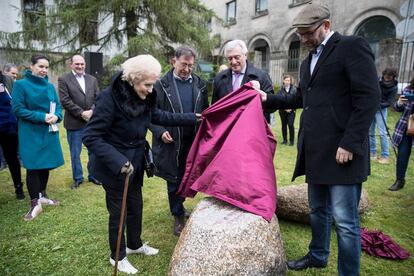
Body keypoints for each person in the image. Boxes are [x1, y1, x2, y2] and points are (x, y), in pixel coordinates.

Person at [258, 3, 380, 275]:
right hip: (315, 150)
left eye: (307, 33)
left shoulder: (351, 46)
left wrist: (349, 143)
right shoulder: (306, 61)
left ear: (325, 25)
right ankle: (318, 255)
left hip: (342, 152)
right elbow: (301, 98)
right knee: (317, 211)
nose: (302, 39)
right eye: (299, 34)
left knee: (346, 222)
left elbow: (369, 98)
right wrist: (268, 99)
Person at [82, 54, 198, 274]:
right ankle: (117, 257)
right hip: (115, 166)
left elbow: (160, 116)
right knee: (119, 212)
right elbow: (91, 136)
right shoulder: (110, 98)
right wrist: (119, 162)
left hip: (135, 163)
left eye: (152, 84)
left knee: (136, 206)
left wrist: (194, 117)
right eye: (147, 84)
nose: (151, 89)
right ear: (133, 79)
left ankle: (134, 245)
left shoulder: (145, 96)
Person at [149, 46, 209, 236]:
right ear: (173, 61)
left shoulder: (200, 84)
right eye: (184, 64)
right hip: (171, 142)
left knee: (187, 176)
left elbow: (205, 111)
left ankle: (180, 206)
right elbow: (150, 113)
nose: (187, 69)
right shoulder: (160, 85)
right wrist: (159, 131)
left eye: (191, 65)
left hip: (193, 141)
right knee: (173, 178)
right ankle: (177, 215)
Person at [12, 54, 64, 221]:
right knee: (33, 166)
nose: (44, 70)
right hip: (30, 132)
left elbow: (57, 108)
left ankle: (42, 195)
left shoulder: (49, 86)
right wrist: (41, 117)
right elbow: (18, 109)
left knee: (45, 164)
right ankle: (35, 204)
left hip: (49, 130)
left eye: (47, 67)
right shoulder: (20, 85)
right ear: (32, 66)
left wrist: (56, 116)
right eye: (41, 66)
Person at [58, 54, 101, 189]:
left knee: (93, 151)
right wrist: (81, 113)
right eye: (77, 64)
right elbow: (65, 100)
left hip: (91, 122)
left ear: (85, 65)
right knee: (75, 153)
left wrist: (91, 111)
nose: (80, 66)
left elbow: (97, 98)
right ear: (71, 64)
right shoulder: (64, 79)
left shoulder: (92, 79)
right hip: (74, 123)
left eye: (82, 64)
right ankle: (78, 178)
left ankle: (94, 175)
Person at [211, 39, 274, 122]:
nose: (233, 62)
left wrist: (258, 96)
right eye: (230, 58)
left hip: (251, 129)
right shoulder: (219, 78)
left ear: (245, 55)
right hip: (226, 129)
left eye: (237, 57)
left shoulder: (261, 76)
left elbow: (272, 107)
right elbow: (215, 107)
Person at [0, 71, 25, 199]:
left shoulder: (7, 79)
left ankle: (18, 187)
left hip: (8, 127)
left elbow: (15, 101)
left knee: (12, 159)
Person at [389, 77, 414, 191]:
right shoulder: (409, 89)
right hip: (406, 127)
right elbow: (397, 108)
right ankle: (400, 180)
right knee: (402, 155)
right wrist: (399, 103)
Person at [369, 68, 398, 164]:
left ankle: (385, 156)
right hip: (372, 107)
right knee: (370, 131)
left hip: (381, 109)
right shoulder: (378, 80)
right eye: (385, 76)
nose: (386, 78)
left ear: (393, 77)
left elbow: (390, 102)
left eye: (389, 77)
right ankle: (372, 153)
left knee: (382, 133)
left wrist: (379, 104)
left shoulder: (394, 87)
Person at [278, 75, 297, 145]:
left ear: (290, 81)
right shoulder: (280, 90)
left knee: (291, 124)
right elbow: (278, 100)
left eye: (288, 80)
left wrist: (291, 108)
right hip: (282, 111)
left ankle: (291, 141)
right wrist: (285, 108)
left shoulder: (294, 89)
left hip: (292, 111)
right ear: (283, 81)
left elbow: (296, 100)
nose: (287, 82)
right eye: (286, 80)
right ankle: (284, 140)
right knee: (284, 125)